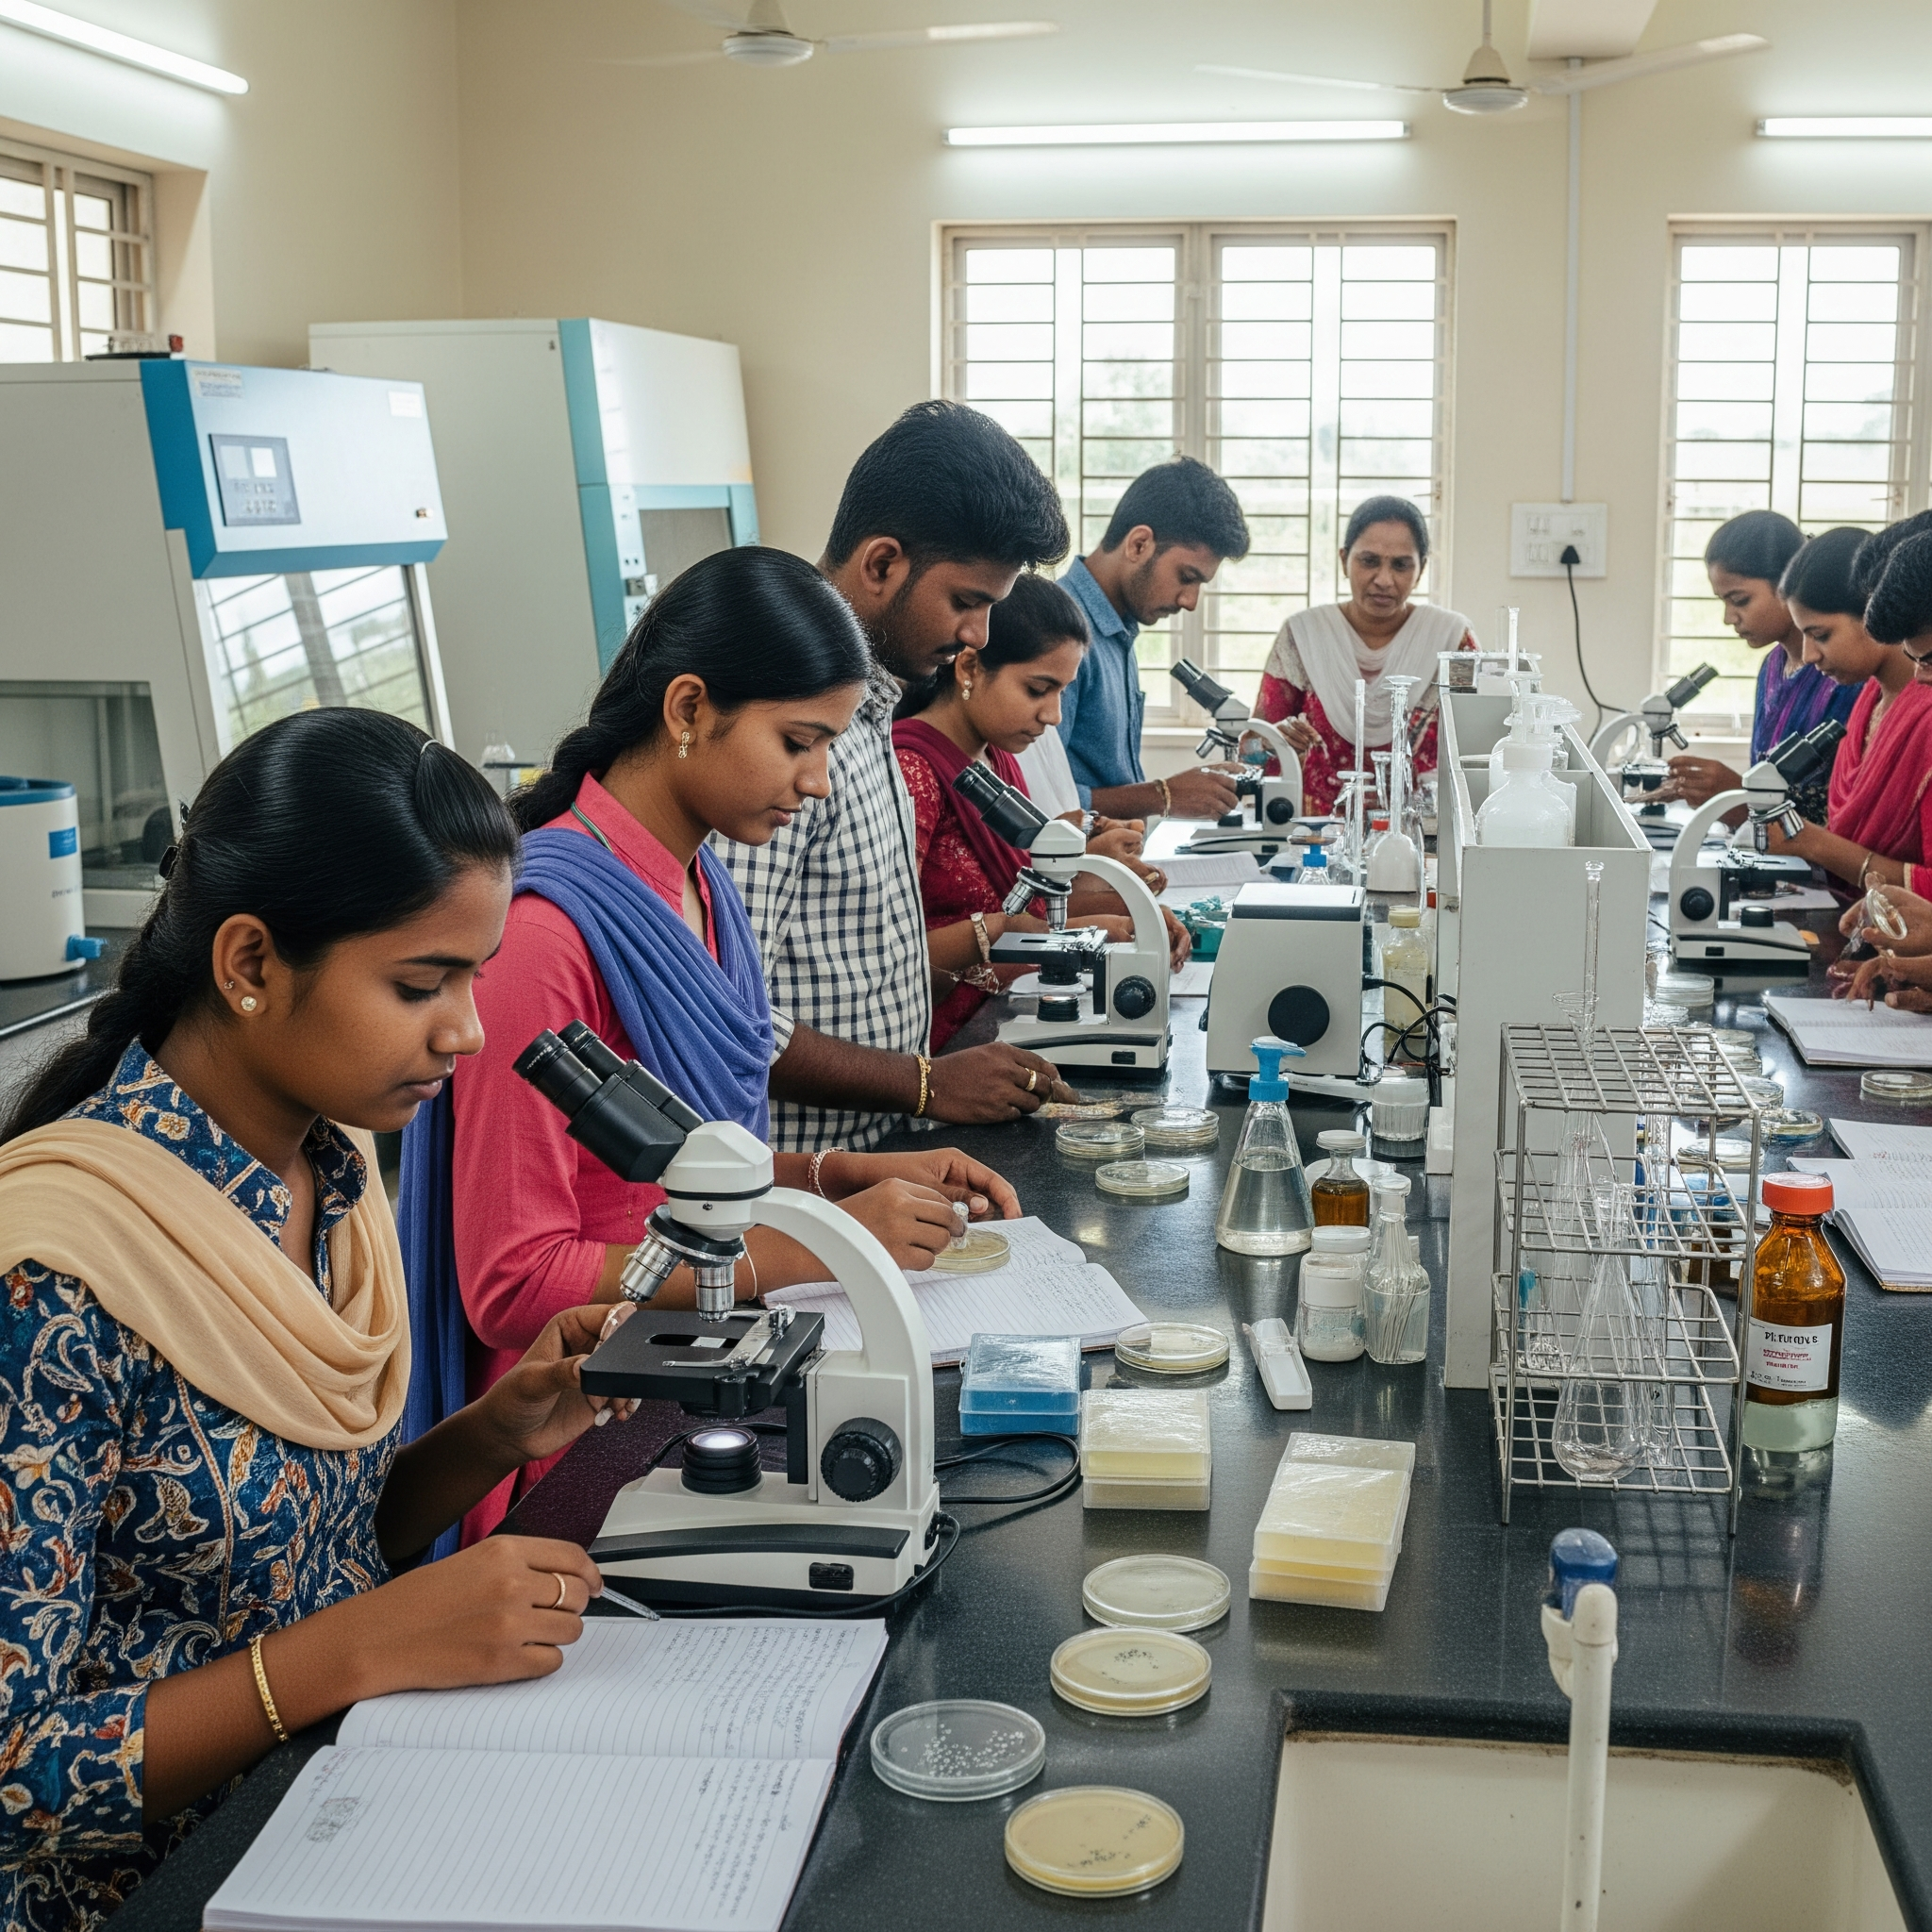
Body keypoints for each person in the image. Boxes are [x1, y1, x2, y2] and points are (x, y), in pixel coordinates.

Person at [0, 710, 631, 1931]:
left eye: (472, 978)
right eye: (418, 984)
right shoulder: (53, 1281)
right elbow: (19, 1771)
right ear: (248, 964)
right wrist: (359, 1651)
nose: (468, 1031)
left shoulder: (329, 1178)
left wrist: (491, 1438)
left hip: (334, 1811)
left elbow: (311, 1556)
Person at [410, 549, 1023, 1541]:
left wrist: (841, 1174)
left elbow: (686, 1175)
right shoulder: (540, 938)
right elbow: (513, 1282)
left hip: (698, 1364)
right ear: (689, 707)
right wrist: (809, 1245)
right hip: (579, 1430)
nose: (819, 781)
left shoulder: (702, 889)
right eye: (797, 741)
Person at [716, 402, 1081, 1153]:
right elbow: (727, 1013)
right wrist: (925, 1083)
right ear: (882, 563)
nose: (977, 635)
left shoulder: (876, 707)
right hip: (801, 1175)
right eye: (967, 602)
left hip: (878, 1149)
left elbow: (859, 955)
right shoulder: (785, 730)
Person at [891, 572, 1191, 1047]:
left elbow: (1026, 908)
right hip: (942, 1046)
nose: (1053, 715)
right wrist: (996, 931)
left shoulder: (997, 758)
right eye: (1037, 689)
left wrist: (1124, 922)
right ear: (968, 667)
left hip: (1001, 1016)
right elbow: (888, 965)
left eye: (1061, 693)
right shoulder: (912, 773)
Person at [1056, 456, 1255, 820]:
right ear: (1138, 545)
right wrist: (1164, 795)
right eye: (1186, 576)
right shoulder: (1058, 630)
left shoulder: (1119, 630)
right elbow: (1040, 798)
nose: (1190, 601)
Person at [1255, 495, 1474, 815]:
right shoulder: (1304, 635)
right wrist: (1278, 740)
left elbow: (1474, 749)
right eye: (1369, 561)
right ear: (1344, 560)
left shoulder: (1452, 640)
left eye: (1401, 565)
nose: (1384, 580)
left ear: (1421, 568)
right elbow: (1257, 745)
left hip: (1421, 836)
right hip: (1316, 835)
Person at [1758, 524, 1932, 896]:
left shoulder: (1926, 719)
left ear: (1872, 616)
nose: (1808, 655)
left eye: (1821, 635)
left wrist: (1813, 843)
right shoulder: (1869, 699)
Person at [1661, 510, 1860, 815]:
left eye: (1740, 600)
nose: (1729, 618)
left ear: (1786, 584)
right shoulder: (1772, 667)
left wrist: (1737, 795)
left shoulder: (1844, 673)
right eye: (1723, 602)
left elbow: (1839, 813)